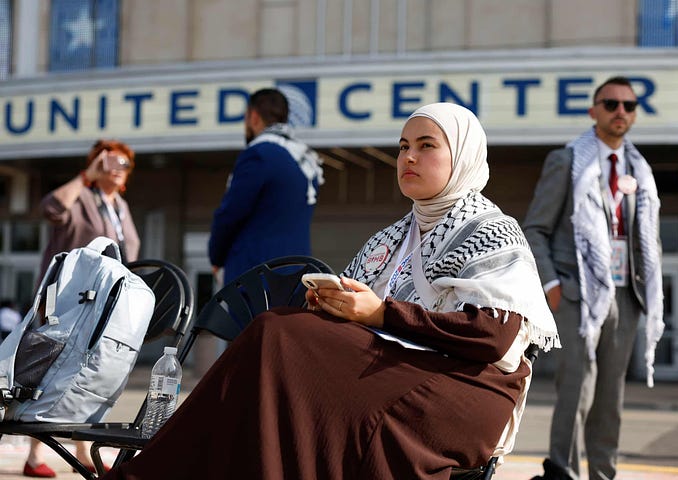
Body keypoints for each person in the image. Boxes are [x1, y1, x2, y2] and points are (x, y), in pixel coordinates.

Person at [99, 102, 559, 480]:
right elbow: (359, 320)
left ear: (462, 155)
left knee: (276, 335)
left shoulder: (490, 229)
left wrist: (380, 314)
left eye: (426, 146)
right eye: (402, 147)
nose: (409, 158)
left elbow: (494, 338)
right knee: (281, 338)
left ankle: (145, 475)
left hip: (467, 389)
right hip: (396, 368)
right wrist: (334, 307)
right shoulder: (390, 239)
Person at [523, 76, 663, 480]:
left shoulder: (640, 170)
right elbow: (535, 229)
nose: (621, 111)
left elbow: (646, 236)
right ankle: (562, 472)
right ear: (593, 111)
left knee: (609, 397)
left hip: (625, 294)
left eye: (629, 106)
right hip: (576, 294)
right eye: (611, 103)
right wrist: (552, 286)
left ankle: (604, 474)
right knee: (577, 388)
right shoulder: (567, 161)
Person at [24, 139, 140, 478]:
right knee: (47, 371)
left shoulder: (120, 206)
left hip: (105, 307)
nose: (119, 169)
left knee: (92, 373)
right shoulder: (83, 199)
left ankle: (81, 450)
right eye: (112, 161)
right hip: (67, 301)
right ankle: (34, 454)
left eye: (126, 163)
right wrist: (84, 176)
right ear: (96, 164)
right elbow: (52, 209)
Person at [208, 87, 324, 286]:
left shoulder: (259, 153)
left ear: (253, 116)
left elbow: (230, 214)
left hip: (256, 276)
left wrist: (216, 257)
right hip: (297, 274)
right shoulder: (304, 159)